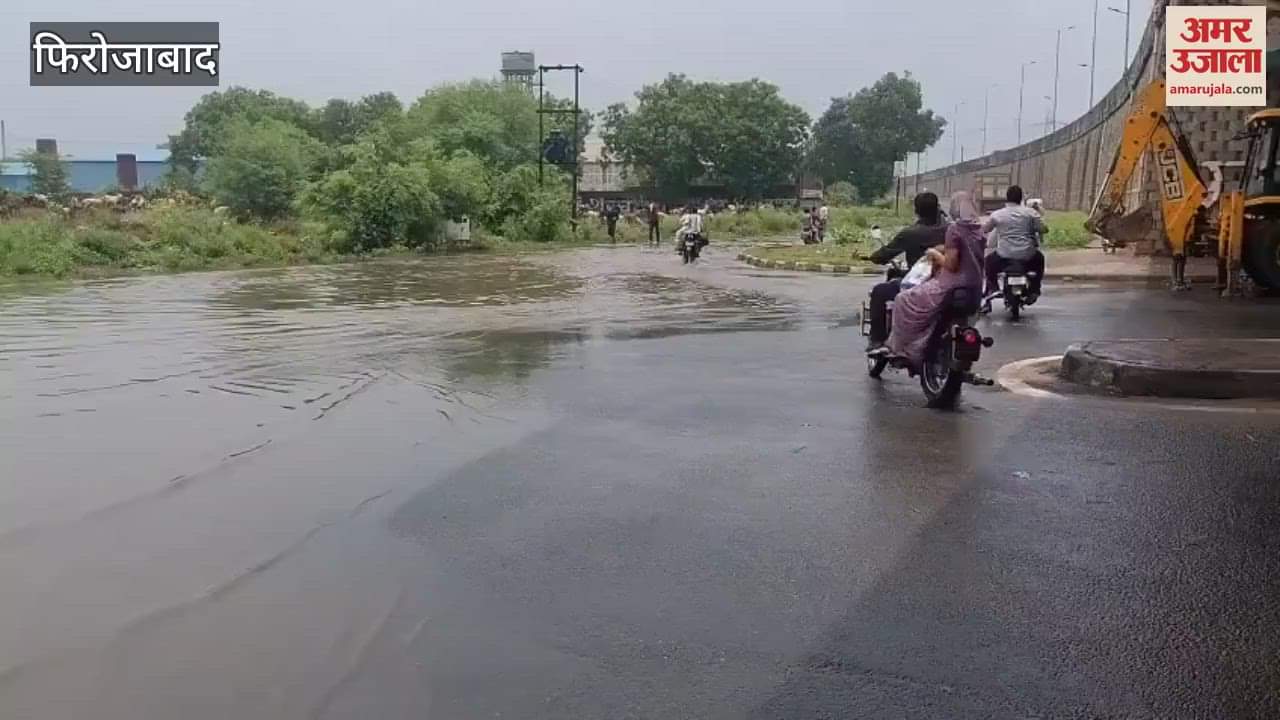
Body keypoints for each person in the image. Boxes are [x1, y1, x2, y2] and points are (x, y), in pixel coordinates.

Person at [876, 191, 987, 365]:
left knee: (902, 299)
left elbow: (951, 265)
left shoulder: (953, 230)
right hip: (975, 285)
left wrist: (934, 253)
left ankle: (902, 348)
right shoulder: (978, 230)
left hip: (950, 283)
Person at [863, 192, 948, 351]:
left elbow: (885, 254)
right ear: (937, 208)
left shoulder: (910, 233)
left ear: (916, 210)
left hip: (920, 283)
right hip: (946, 283)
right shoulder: (950, 230)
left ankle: (877, 339)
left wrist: (874, 257)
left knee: (879, 292)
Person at [982, 185, 1047, 309]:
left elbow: (985, 229)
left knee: (988, 263)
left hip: (1004, 255)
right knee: (1040, 259)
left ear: (1006, 198)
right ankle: (1034, 289)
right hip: (1027, 255)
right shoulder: (1031, 213)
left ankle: (994, 288)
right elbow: (1043, 229)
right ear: (1021, 198)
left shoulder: (997, 215)